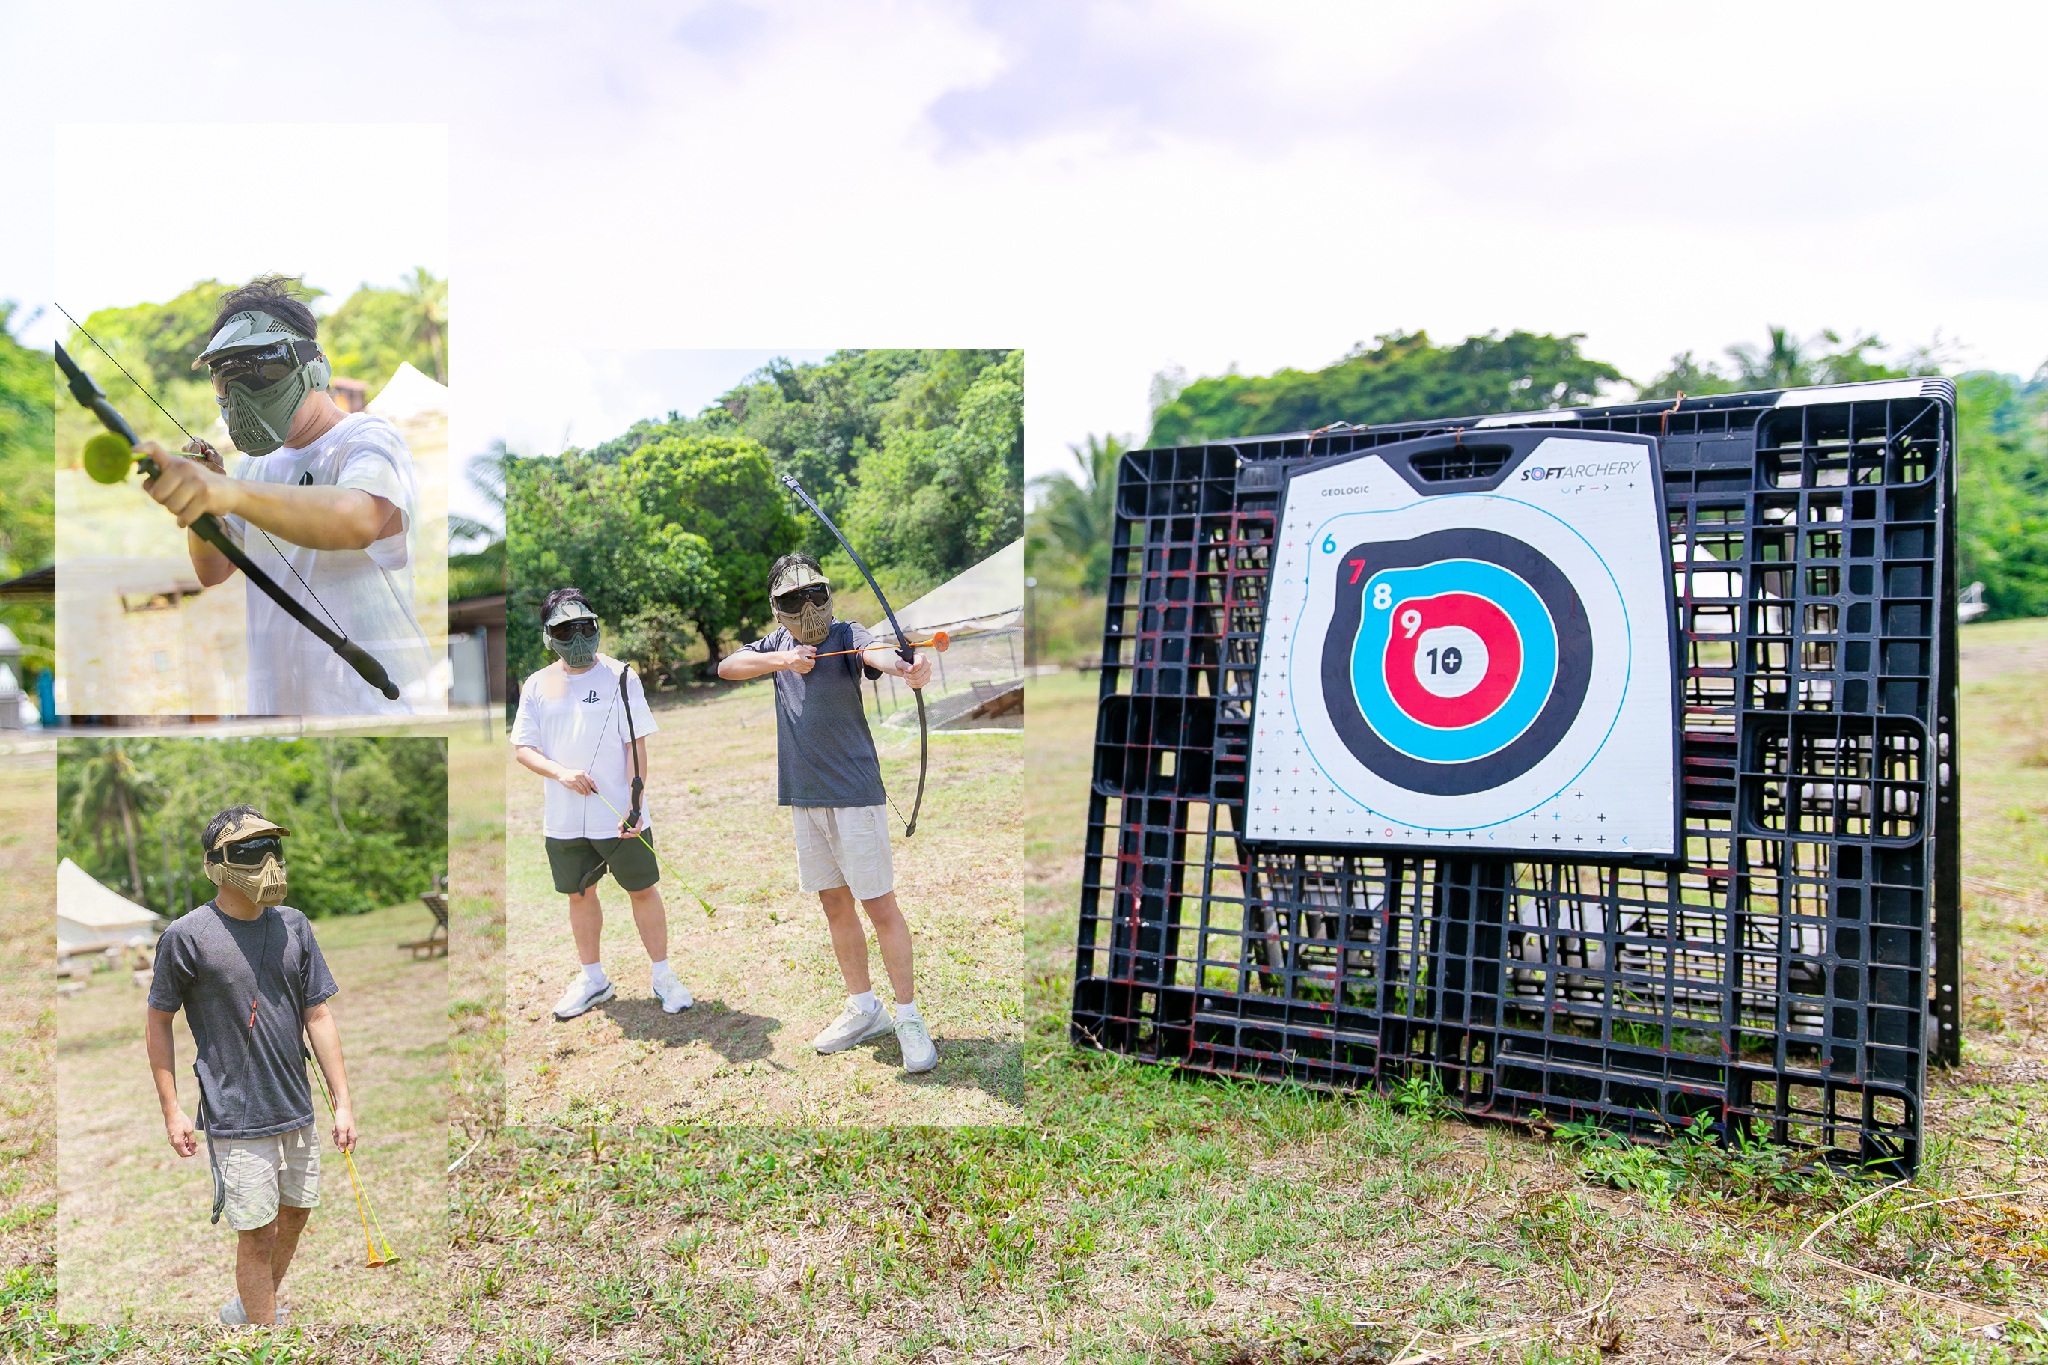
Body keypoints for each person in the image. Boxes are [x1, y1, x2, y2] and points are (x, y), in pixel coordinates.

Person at [135, 275, 434, 716]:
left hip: (370, 709)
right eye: (226, 379)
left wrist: (227, 492)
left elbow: (357, 519)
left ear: (313, 366)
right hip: (279, 711)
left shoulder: (367, 438)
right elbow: (212, 568)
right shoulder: (254, 468)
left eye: (262, 371)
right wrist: (205, 503)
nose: (240, 394)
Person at [716, 553, 938, 1074]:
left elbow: (881, 653)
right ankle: (865, 1008)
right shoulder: (773, 646)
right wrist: (783, 661)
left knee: (880, 907)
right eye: (794, 599)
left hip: (854, 793)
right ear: (777, 607)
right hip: (804, 796)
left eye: (815, 594)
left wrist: (909, 666)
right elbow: (727, 667)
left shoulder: (847, 634)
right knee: (835, 906)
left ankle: (907, 1017)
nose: (808, 606)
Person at [144, 806, 352, 1327]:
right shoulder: (186, 936)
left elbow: (319, 1015)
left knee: (296, 1213)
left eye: (273, 848)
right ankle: (264, 1334)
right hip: (236, 1113)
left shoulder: (294, 926)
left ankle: (247, 1310)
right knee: (256, 1232)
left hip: (296, 1106)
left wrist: (343, 1102)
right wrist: (173, 1112)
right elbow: (158, 1023)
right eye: (252, 851)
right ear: (216, 864)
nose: (268, 862)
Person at [511, 588, 694, 1020]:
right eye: (565, 629)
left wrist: (635, 804)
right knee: (579, 895)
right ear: (548, 636)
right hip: (564, 820)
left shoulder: (622, 675)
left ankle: (663, 975)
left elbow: (636, 745)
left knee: (643, 890)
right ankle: (593, 979)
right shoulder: (539, 684)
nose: (577, 636)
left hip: (621, 819)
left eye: (585, 626)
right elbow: (523, 748)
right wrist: (561, 773)